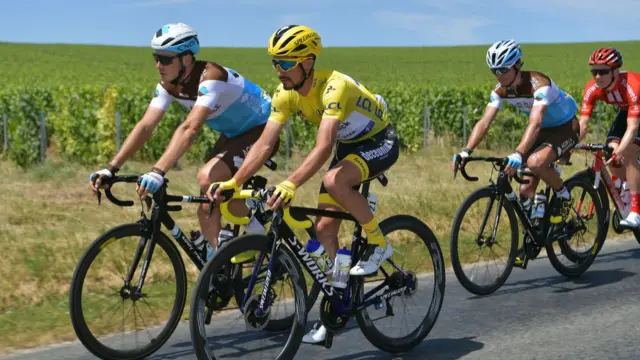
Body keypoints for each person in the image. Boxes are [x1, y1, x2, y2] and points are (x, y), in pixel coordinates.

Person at [207, 24, 399, 344]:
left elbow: (324, 146)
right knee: (324, 231)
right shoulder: (286, 95)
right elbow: (265, 144)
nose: (278, 70)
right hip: (349, 147)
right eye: (274, 62)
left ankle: (380, 243)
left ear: (307, 62)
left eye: (284, 63)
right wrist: (233, 181)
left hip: (379, 140)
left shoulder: (334, 87)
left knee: (334, 180)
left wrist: (291, 183)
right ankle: (339, 301)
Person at [89, 22, 277, 261]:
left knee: (208, 177)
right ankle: (218, 267)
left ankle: (258, 236)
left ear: (187, 59)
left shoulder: (212, 77)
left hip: (262, 129)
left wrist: (158, 171)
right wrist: (111, 167)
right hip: (233, 135)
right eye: (156, 57)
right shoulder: (169, 85)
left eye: (166, 59)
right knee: (207, 206)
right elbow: (146, 126)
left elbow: (190, 128)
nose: (159, 65)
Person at [453, 39, 580, 267]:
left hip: (564, 127)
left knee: (535, 162)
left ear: (517, 65)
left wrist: (519, 153)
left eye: (503, 70)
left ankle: (563, 195)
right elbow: (484, 123)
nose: (498, 76)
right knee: (524, 189)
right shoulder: (500, 90)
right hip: (541, 132)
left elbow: (535, 122)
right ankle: (534, 234)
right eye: (494, 71)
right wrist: (466, 151)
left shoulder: (539, 84)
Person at [579, 47, 640, 228]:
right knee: (610, 152)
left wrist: (621, 151)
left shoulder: (632, 85)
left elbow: (633, 127)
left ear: (615, 71)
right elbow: (583, 124)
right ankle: (630, 185)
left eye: (603, 72)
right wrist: (569, 145)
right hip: (626, 112)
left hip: (636, 116)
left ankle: (636, 212)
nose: (597, 77)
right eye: (594, 72)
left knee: (626, 154)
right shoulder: (592, 88)